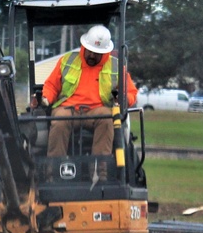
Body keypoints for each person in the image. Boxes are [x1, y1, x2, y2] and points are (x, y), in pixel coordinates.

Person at [33, 24, 137, 158]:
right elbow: (52, 86)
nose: (92, 55)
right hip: (68, 109)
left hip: (98, 110)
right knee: (59, 121)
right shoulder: (68, 60)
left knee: (107, 119)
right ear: (84, 46)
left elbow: (131, 92)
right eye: (90, 51)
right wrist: (45, 98)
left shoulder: (116, 66)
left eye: (97, 53)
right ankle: (54, 169)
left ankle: (99, 171)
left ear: (105, 52)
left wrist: (123, 99)